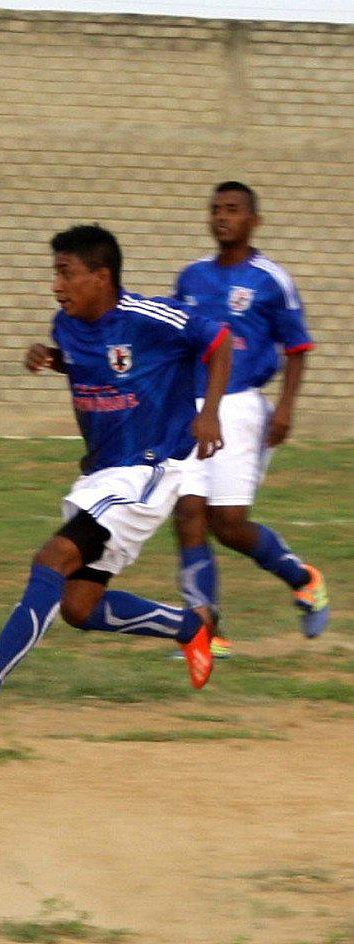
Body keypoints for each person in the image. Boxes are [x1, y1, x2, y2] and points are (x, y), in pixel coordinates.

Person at [0, 225, 233, 717]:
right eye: (55, 274)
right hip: (102, 475)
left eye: (66, 274)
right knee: (79, 606)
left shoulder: (150, 318)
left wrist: (211, 412)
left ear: (101, 276)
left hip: (148, 469)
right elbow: (94, 366)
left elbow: (219, 341)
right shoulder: (66, 326)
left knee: (53, 558)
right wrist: (54, 361)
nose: (57, 286)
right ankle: (191, 626)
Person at [169, 181, 328, 656]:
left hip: (240, 406)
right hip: (192, 407)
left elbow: (297, 348)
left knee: (229, 523)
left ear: (253, 220)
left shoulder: (271, 280)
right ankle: (205, 632)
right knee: (188, 513)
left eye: (233, 210)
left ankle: (302, 578)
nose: (222, 217)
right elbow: (178, 340)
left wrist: (285, 408)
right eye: (216, 209)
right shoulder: (191, 278)